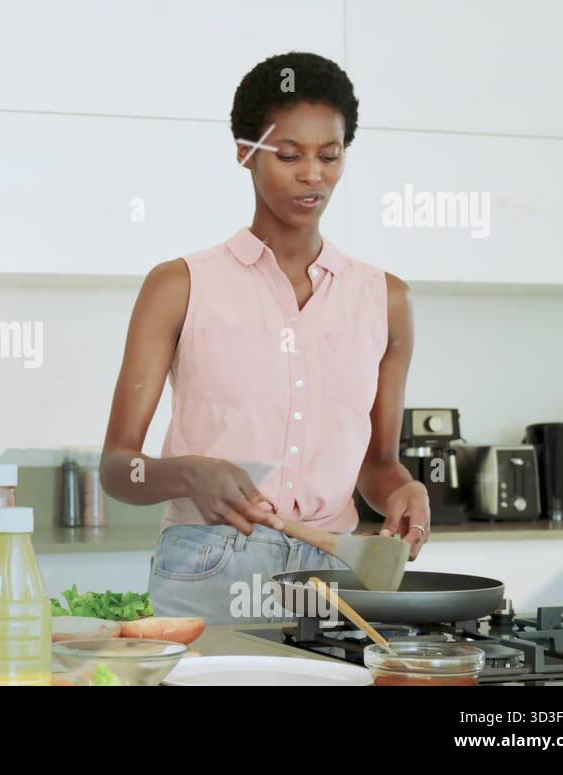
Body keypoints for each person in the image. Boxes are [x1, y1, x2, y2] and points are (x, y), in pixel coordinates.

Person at [100, 52, 430, 623]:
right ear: (245, 152)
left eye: (330, 155)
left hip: (337, 576)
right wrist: (187, 472)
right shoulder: (179, 285)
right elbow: (117, 469)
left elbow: (378, 464)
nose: (313, 174)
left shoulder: (386, 300)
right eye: (288, 155)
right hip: (207, 569)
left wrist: (407, 492)